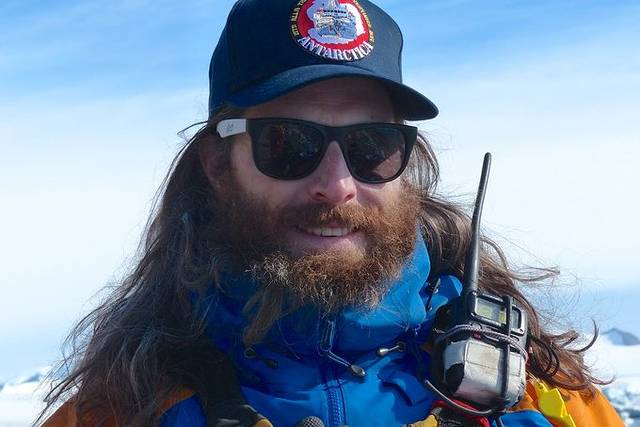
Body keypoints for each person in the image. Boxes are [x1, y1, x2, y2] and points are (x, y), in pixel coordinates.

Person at [41, 1, 623, 426]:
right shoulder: (117, 410)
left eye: (373, 147)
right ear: (217, 164)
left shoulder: (547, 400)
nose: (337, 186)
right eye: (288, 145)